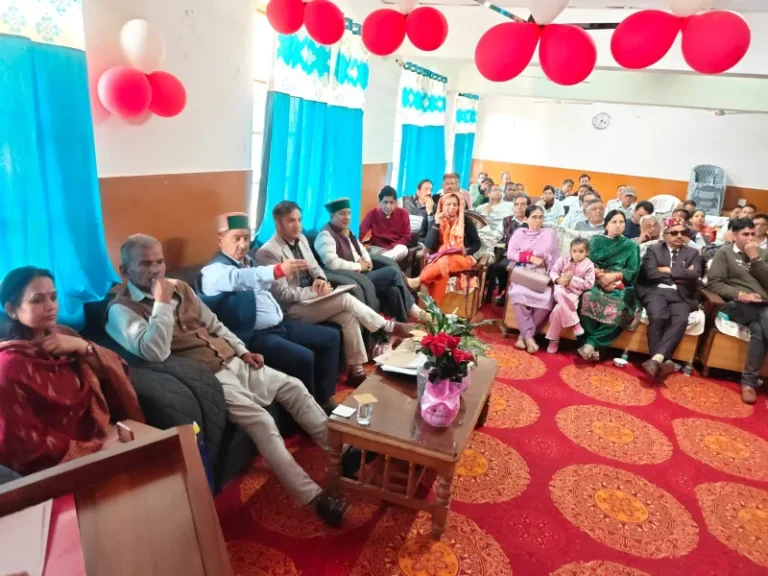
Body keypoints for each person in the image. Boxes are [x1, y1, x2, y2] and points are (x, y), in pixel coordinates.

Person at [105, 235, 348, 524]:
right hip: (208, 376)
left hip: (233, 359)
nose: (156, 270)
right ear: (124, 271)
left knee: (294, 387)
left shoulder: (180, 287)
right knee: (261, 420)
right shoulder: (121, 310)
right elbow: (154, 351)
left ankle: (340, 453)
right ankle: (311, 496)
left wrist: (243, 351)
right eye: (145, 264)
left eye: (159, 262)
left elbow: (214, 324)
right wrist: (161, 303)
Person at [0, 267, 144, 475]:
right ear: (12, 309)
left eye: (53, 297)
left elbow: (116, 371)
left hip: (106, 432)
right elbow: (24, 444)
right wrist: (91, 450)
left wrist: (83, 347)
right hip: (64, 463)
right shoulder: (9, 366)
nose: (51, 306)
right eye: (37, 300)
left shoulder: (64, 334)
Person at [256, 202, 414, 387]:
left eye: (299, 220)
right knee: (345, 299)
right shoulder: (268, 252)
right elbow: (282, 294)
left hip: (313, 300)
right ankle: (387, 327)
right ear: (278, 223)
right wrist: (314, 292)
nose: (297, 225)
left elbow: (315, 266)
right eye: (291, 221)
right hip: (291, 309)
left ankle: (356, 370)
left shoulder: (302, 239)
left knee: (348, 316)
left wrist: (320, 279)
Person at [199, 213, 341, 414]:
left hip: (280, 325)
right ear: (220, 240)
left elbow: (263, 284)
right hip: (254, 335)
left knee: (331, 337)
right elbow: (240, 278)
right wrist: (277, 270)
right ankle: (308, 413)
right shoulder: (213, 272)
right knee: (304, 357)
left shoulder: (248, 261)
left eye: (246, 238)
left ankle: (324, 399)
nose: (242, 244)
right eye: (236, 238)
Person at [315, 198, 421, 323]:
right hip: (354, 278)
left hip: (364, 273)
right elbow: (332, 263)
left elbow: (361, 248)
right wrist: (359, 266)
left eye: (349, 213)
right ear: (332, 216)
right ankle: (414, 310)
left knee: (393, 290)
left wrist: (367, 261)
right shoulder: (325, 235)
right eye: (342, 214)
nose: (347, 217)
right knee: (392, 272)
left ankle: (403, 326)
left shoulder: (346, 231)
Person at [708, 218, 768, 404]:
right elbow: (715, 283)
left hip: (762, 308)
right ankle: (749, 383)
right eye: (745, 234)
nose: (750, 238)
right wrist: (741, 295)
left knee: (759, 328)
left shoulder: (763, 254)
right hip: (737, 305)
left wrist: (755, 259)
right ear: (734, 236)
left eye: (753, 234)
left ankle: (749, 383)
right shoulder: (725, 253)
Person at [636, 217, 702, 381]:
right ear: (665, 235)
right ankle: (663, 360)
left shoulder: (692, 253)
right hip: (656, 290)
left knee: (681, 320)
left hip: (682, 294)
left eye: (683, 232)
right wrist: (682, 273)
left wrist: (668, 270)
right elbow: (651, 273)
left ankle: (655, 360)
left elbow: (695, 275)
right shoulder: (654, 249)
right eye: (674, 233)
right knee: (658, 316)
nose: (679, 236)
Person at [578, 210, 642, 361]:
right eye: (614, 222)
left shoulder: (631, 246)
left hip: (619, 284)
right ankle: (592, 346)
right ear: (606, 224)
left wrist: (614, 276)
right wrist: (600, 276)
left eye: (621, 222)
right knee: (587, 296)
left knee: (621, 307)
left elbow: (633, 271)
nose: (618, 225)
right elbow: (586, 262)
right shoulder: (596, 241)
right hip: (595, 279)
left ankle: (591, 344)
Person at [407, 192, 481, 303]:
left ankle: (419, 280)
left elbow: (477, 243)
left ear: (459, 206)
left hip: (462, 258)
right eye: (448, 204)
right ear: (442, 205)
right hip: (440, 258)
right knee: (441, 276)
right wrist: (437, 223)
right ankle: (436, 309)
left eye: (455, 204)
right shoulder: (437, 219)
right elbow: (429, 244)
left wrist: (466, 251)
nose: (452, 207)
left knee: (446, 259)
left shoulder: (465, 221)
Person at [506, 205, 560, 354]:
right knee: (517, 293)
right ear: (526, 219)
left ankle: (523, 337)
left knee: (547, 299)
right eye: (534, 217)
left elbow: (548, 254)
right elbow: (510, 253)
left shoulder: (548, 233)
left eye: (540, 217)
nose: (538, 220)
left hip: (543, 274)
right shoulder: (519, 233)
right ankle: (529, 339)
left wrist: (528, 254)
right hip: (524, 273)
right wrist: (529, 257)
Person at [545, 239, 596, 354]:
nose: (577, 254)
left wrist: (572, 279)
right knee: (558, 293)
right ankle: (575, 322)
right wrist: (558, 279)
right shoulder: (563, 259)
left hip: (574, 293)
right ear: (570, 251)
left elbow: (589, 284)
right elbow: (553, 271)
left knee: (558, 309)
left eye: (581, 251)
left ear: (587, 252)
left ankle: (553, 340)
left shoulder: (589, 265)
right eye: (574, 251)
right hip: (561, 288)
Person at [489, 195, 531, 305]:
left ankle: (517, 297)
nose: (519, 207)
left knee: (523, 270)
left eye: (523, 204)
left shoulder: (532, 221)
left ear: (528, 207)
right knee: (499, 267)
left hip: (528, 257)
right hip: (510, 255)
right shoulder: (507, 220)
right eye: (517, 204)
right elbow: (495, 236)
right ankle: (504, 292)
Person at [360, 186, 412, 262]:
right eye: (385, 202)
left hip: (395, 248)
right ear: (379, 202)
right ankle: (383, 261)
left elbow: (406, 236)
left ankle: (378, 260)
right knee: (367, 250)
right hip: (376, 248)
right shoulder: (372, 214)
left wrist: (390, 248)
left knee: (404, 249)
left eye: (391, 202)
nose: (388, 206)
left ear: (396, 203)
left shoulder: (403, 214)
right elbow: (361, 232)